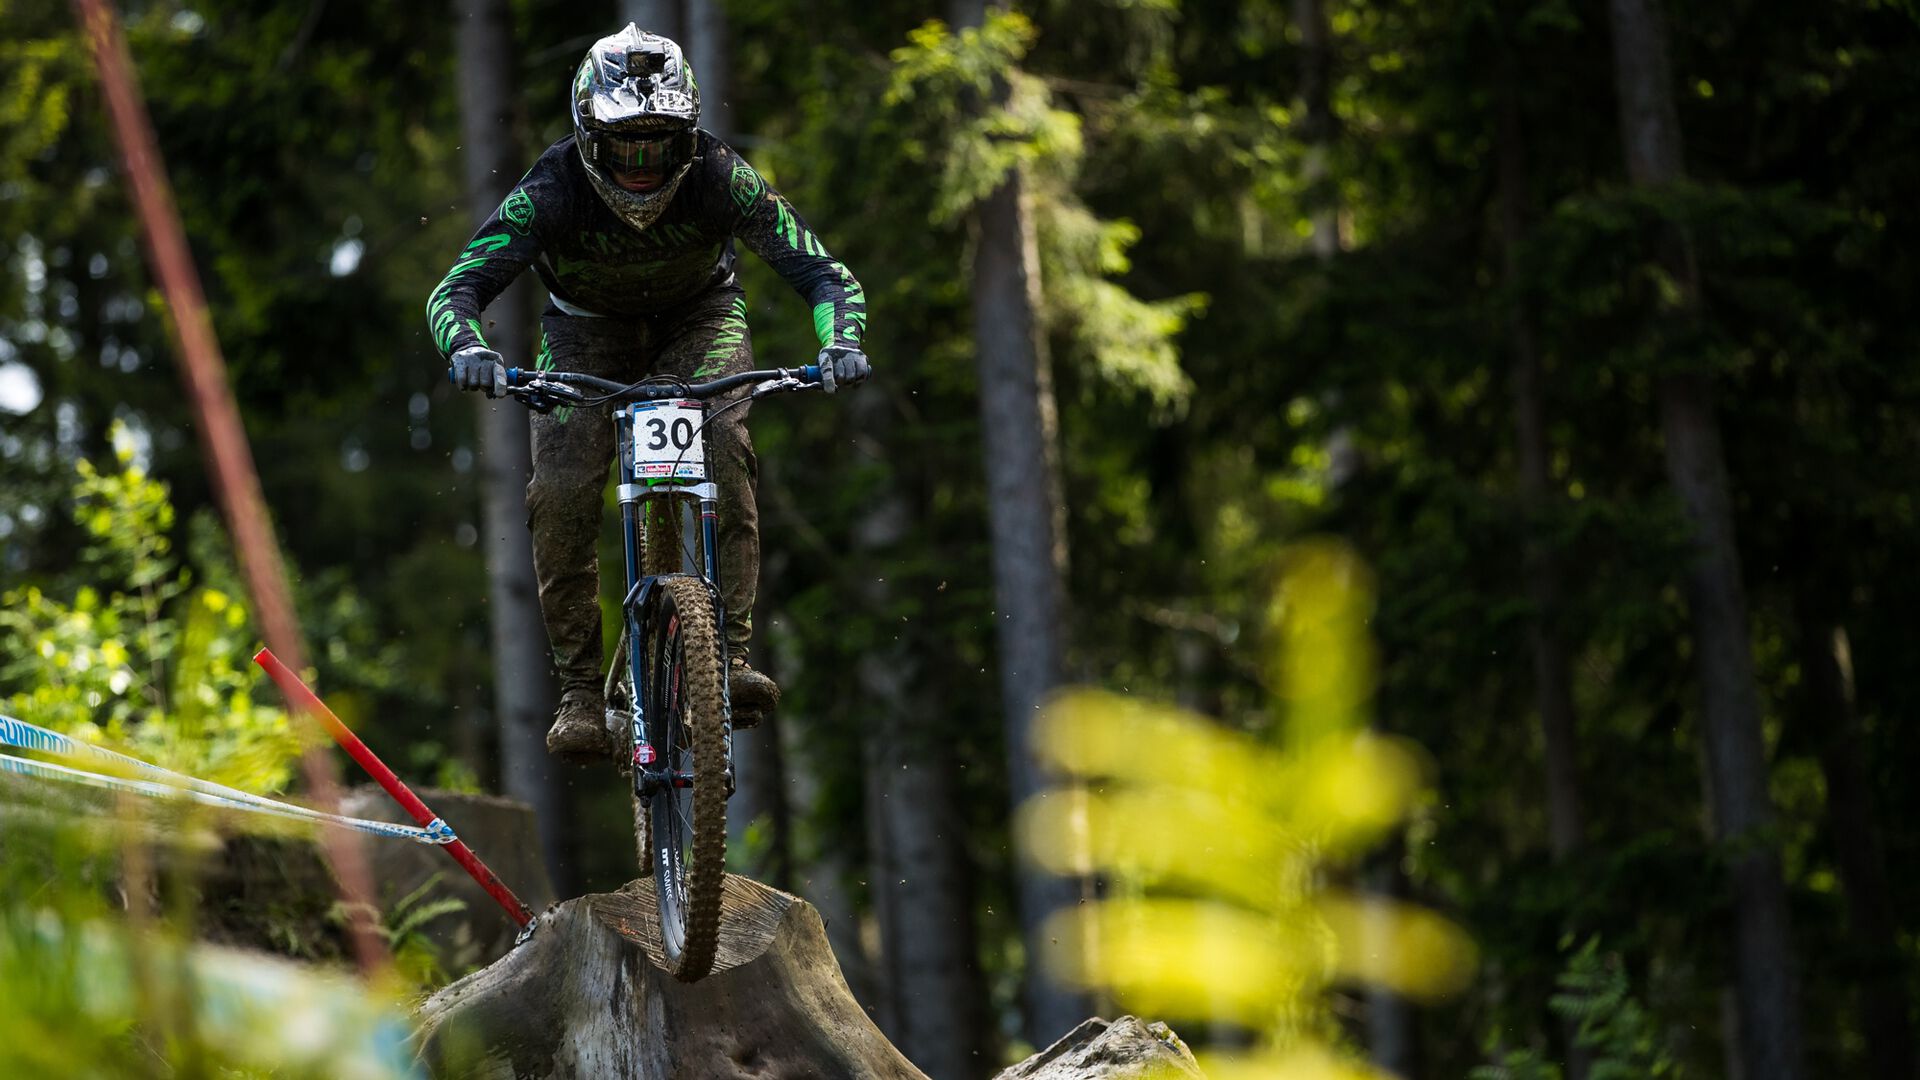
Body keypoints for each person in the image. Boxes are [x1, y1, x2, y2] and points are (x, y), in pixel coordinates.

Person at [428, 24, 869, 762]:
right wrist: (470, 348)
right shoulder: (552, 187)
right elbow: (458, 288)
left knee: (726, 448)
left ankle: (725, 659)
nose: (640, 167)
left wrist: (840, 343)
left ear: (687, 141)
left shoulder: (722, 176)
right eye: (623, 147)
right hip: (583, 335)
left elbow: (824, 273)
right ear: (587, 139)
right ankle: (577, 693)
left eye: (658, 146)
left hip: (699, 323)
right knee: (562, 491)